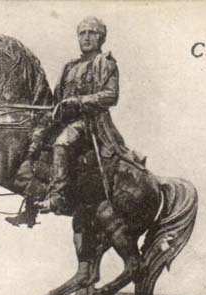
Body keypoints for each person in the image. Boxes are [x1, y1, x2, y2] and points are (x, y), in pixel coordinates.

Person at [32, 17, 141, 216]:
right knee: (34, 140)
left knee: (62, 143)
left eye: (92, 33)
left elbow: (111, 95)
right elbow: (57, 98)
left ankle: (57, 196)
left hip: (90, 122)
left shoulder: (105, 62)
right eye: (82, 33)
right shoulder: (69, 66)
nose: (87, 37)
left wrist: (79, 101)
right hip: (64, 119)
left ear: (101, 38)